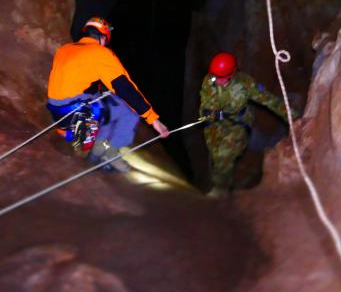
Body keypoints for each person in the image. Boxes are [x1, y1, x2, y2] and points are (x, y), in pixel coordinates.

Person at [47, 16, 169, 171]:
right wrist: (153, 120)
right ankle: (110, 153)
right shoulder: (101, 53)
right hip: (78, 115)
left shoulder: (64, 49)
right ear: (103, 37)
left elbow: (73, 82)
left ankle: (95, 148)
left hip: (58, 115)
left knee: (107, 104)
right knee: (128, 111)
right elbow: (125, 88)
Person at [198, 52, 292, 197]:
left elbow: (269, 100)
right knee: (215, 153)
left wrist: (292, 116)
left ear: (232, 74)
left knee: (224, 156)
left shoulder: (245, 84)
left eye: (221, 78)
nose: (217, 81)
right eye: (215, 76)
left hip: (237, 123)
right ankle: (220, 178)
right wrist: (210, 113)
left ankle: (220, 190)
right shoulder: (209, 80)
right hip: (214, 122)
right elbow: (206, 101)